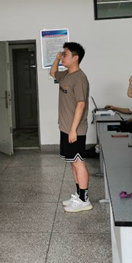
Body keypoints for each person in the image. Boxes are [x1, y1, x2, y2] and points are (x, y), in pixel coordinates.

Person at [50, 42, 92, 213]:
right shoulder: (66, 74)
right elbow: (52, 73)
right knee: (72, 162)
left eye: (65, 54)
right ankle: (78, 195)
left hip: (75, 129)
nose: (63, 57)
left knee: (78, 162)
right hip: (66, 128)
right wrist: (56, 59)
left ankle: (84, 200)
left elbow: (81, 104)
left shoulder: (80, 78)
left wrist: (73, 129)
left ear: (75, 58)